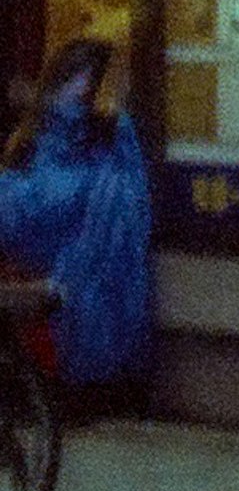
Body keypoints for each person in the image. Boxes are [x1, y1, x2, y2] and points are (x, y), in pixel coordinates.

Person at [0, 40, 152, 392]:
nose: (80, 88)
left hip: (67, 261)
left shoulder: (106, 135)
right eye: (74, 77)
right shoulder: (41, 130)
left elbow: (51, 202)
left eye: (86, 78)